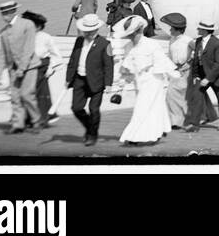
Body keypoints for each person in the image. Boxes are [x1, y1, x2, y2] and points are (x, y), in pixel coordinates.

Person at [113, 15, 174, 146]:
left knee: (142, 107)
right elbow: (127, 67)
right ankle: (158, 131)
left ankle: (134, 136)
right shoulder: (128, 47)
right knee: (154, 107)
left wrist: (173, 74)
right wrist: (121, 86)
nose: (130, 36)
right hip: (139, 81)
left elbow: (161, 61)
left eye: (131, 33)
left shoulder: (151, 44)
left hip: (153, 80)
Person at [67, 13, 114, 146]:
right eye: (85, 30)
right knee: (76, 108)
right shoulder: (79, 41)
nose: (86, 33)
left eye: (89, 30)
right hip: (79, 80)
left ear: (95, 29)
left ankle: (92, 135)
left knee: (94, 109)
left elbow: (109, 65)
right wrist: (68, 78)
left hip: (96, 82)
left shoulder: (105, 44)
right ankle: (90, 127)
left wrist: (108, 83)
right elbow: (72, 60)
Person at [0, 0, 41, 134]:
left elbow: (29, 48)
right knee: (15, 96)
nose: (4, 16)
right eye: (2, 13)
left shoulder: (27, 24)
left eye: (6, 13)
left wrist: (22, 68)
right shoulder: (4, 32)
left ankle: (36, 121)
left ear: (13, 12)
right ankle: (18, 124)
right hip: (13, 68)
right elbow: (2, 53)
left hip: (30, 66)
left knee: (27, 95)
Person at [184, 20, 219, 132]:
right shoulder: (199, 41)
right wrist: (195, 75)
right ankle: (195, 124)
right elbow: (196, 59)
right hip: (202, 75)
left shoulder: (217, 43)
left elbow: (218, 64)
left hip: (217, 76)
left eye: (199, 28)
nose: (197, 30)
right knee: (197, 99)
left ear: (205, 30)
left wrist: (208, 78)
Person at [21, 11, 64, 125]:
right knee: (26, 93)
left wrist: (51, 67)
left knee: (39, 94)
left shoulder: (46, 37)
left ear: (39, 26)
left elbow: (56, 54)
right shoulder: (23, 37)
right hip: (26, 67)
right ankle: (28, 118)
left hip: (41, 68)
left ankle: (41, 118)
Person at [161, 13, 193, 129]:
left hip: (186, 71)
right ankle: (176, 121)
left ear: (178, 30)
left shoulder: (188, 40)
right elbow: (170, 55)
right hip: (175, 71)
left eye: (172, 28)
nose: (170, 30)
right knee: (171, 94)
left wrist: (189, 63)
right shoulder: (172, 40)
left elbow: (200, 52)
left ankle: (187, 119)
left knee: (184, 96)